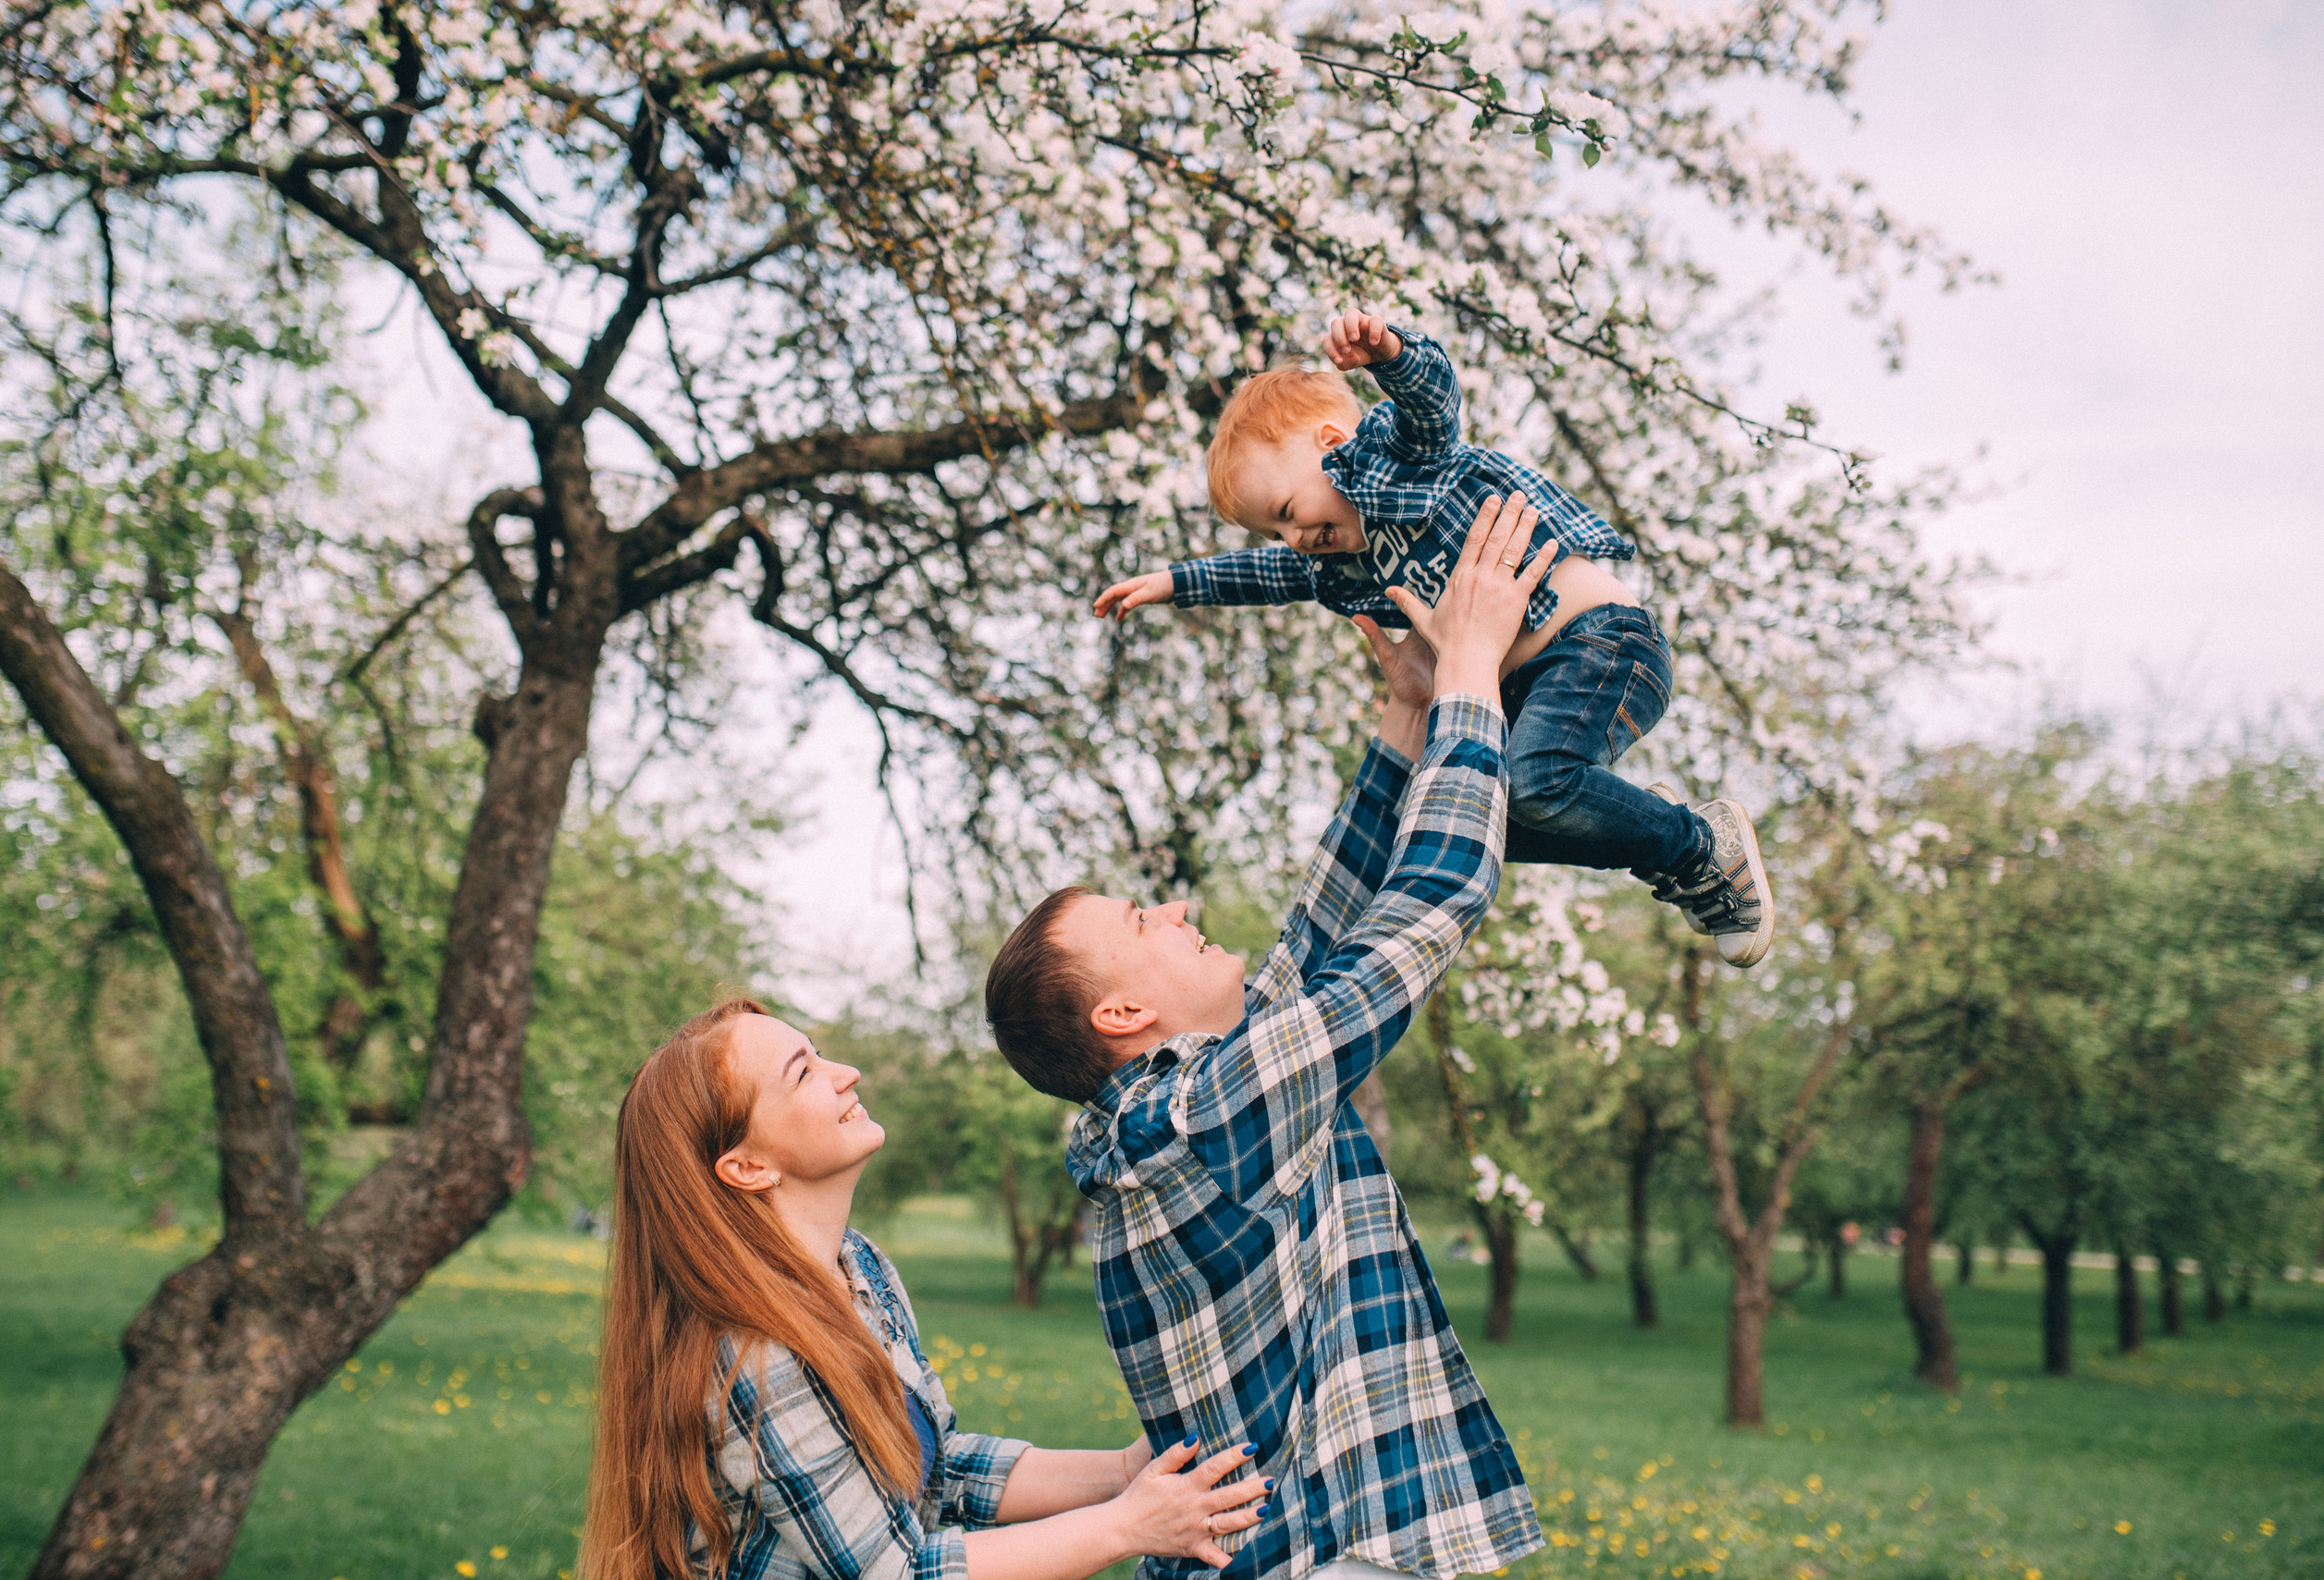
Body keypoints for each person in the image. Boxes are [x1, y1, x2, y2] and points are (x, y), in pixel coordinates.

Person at [986, 496, 1556, 1580]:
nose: (1171, 908)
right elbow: (1428, 904)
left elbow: (1320, 936)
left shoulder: (1174, 1109)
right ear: (1121, 1017)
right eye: (1138, 921)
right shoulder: (1202, 1117)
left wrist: (1408, 714)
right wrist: (1475, 675)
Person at [1091, 310, 1772, 966]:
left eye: (1289, 512)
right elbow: (1271, 575)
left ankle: (1695, 846)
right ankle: (1629, 816)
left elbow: (1432, 405)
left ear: (1334, 446)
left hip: (1600, 644)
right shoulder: (1351, 553)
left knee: (1533, 784)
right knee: (1466, 815)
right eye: (1276, 530)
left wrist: (1390, 353)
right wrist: (1178, 582)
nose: (1294, 539)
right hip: (1525, 688)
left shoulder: (1401, 464)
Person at [579, 998, 1273, 1580]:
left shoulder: (858, 1267)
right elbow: (899, 1572)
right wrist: (1126, 1526)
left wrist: (1122, 1472)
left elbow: (939, 1470)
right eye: (804, 1072)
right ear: (748, 1166)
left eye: (818, 1053)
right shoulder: (759, 1357)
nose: (846, 1072)